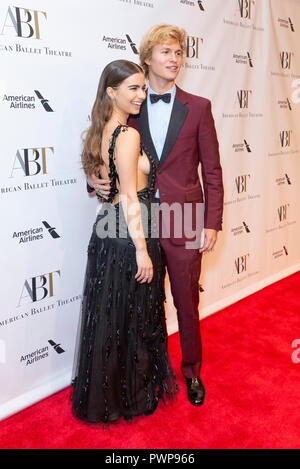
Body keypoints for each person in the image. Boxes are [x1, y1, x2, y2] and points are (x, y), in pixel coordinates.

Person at [87, 25, 224, 407]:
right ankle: (141, 373)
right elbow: (106, 149)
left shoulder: (199, 107)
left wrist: (211, 221)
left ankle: (192, 372)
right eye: (166, 52)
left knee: (185, 300)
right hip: (137, 221)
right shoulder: (131, 103)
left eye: (179, 53)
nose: (174, 59)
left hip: (183, 217)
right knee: (140, 303)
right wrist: (95, 182)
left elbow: (211, 170)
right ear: (147, 58)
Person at [71, 59, 177, 424]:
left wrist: (97, 181)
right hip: (131, 233)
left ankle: (109, 395)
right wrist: (143, 251)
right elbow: (131, 197)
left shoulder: (100, 130)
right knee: (133, 317)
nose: (141, 95)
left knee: (113, 317)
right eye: (132, 88)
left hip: (107, 231)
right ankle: (130, 397)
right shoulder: (128, 135)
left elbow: (105, 180)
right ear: (111, 91)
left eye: (142, 88)